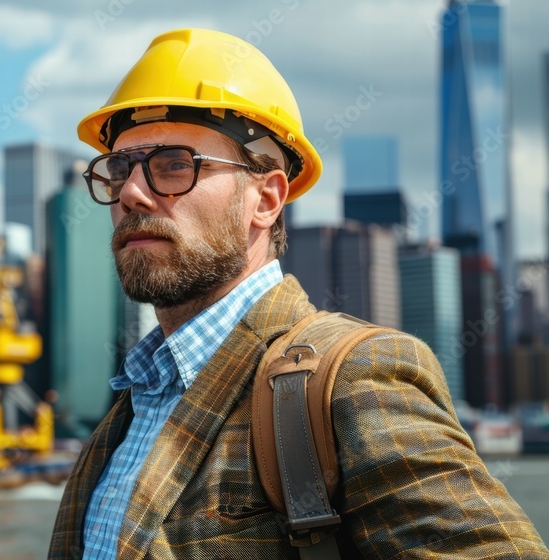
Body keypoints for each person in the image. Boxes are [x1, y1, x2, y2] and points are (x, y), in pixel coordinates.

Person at [49, 28, 549, 559]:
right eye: (119, 168)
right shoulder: (126, 414)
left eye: (174, 164)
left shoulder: (351, 379)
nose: (129, 192)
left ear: (266, 199)